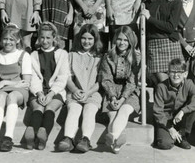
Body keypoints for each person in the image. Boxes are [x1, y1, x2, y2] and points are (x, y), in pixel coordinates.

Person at [58, 24, 103, 153]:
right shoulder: (71, 55)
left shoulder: (99, 58)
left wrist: (88, 92)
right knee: (74, 109)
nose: (86, 42)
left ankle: (85, 139)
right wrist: (75, 90)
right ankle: (68, 138)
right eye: (84, 38)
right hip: (75, 91)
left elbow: (100, 82)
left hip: (92, 92)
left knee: (90, 109)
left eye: (90, 39)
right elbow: (67, 78)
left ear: (95, 40)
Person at [0, 25, 32, 152]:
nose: (8, 42)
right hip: (6, 88)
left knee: (11, 97)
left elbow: (26, 82)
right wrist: (10, 82)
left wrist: (7, 84)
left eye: (12, 39)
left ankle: (8, 137)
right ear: (2, 40)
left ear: (18, 40)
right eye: (6, 39)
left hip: (19, 90)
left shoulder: (23, 55)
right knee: (1, 96)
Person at [25, 22, 69, 150]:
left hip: (56, 91)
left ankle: (41, 137)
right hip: (38, 90)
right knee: (38, 108)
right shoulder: (33, 55)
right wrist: (39, 93)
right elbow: (33, 78)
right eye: (42, 37)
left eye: (48, 37)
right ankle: (32, 136)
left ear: (54, 38)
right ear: (38, 38)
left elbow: (62, 77)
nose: (45, 41)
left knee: (50, 108)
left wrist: (51, 94)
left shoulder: (62, 54)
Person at [99, 26, 140, 153]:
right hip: (111, 89)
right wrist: (112, 97)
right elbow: (106, 79)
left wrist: (122, 99)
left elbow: (132, 81)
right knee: (112, 115)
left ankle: (113, 136)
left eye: (126, 40)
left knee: (123, 111)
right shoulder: (108, 56)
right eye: (119, 39)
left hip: (130, 91)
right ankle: (116, 144)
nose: (122, 43)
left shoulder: (136, 57)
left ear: (131, 42)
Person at [140, 0, 183, 84]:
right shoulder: (148, 3)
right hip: (154, 45)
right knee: (161, 82)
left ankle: (174, 101)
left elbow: (170, 27)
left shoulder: (175, 2)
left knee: (175, 81)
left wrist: (150, 18)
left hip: (170, 44)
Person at [154, 58, 195, 150]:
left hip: (181, 120)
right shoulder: (161, 87)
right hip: (165, 121)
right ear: (168, 73)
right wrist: (170, 128)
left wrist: (182, 111)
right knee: (165, 144)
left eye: (179, 72)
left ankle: (182, 135)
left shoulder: (188, 83)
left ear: (185, 74)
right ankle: (171, 135)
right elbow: (158, 112)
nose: (176, 75)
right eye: (173, 72)